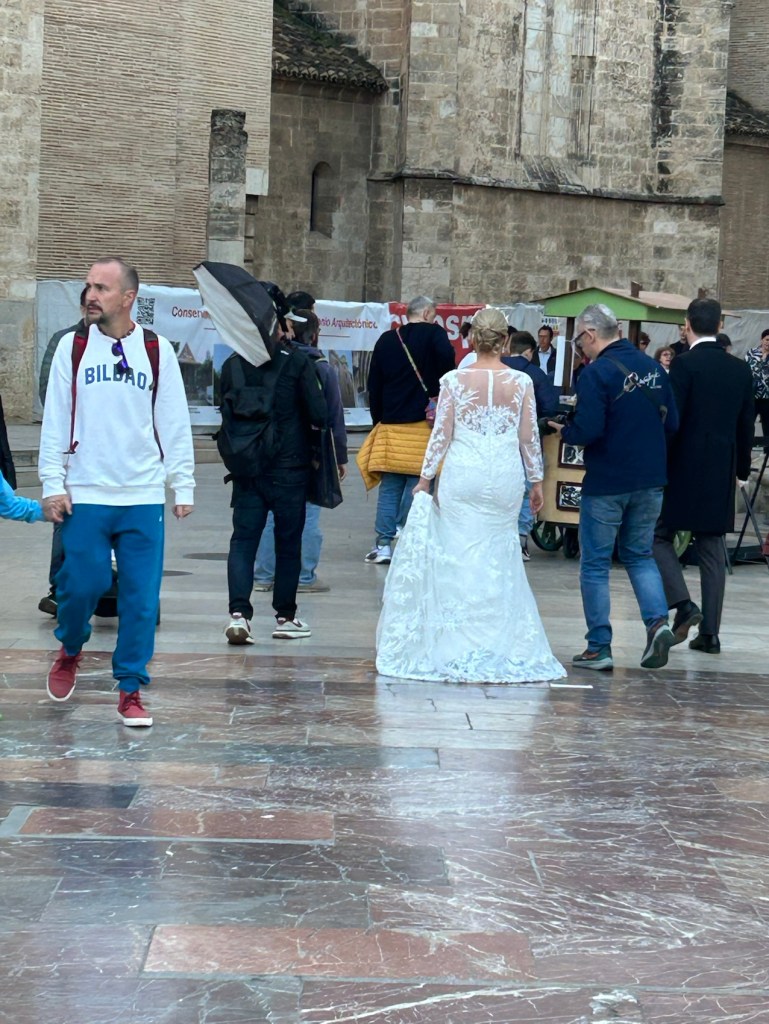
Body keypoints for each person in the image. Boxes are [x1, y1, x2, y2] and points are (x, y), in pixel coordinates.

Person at [39, 257, 195, 727]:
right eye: (88, 286)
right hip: (85, 491)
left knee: (141, 600)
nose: (90, 295)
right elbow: (54, 419)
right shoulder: (71, 348)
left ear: (128, 298)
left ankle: (130, 687)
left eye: (101, 288)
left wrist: (182, 482)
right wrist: (52, 483)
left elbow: (173, 419)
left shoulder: (156, 350)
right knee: (81, 584)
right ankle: (70, 647)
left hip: (142, 493)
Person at [376, 307, 565, 683]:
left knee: (458, 552)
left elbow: (441, 434)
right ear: (505, 341)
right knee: (500, 553)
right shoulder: (521, 382)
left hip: (464, 474)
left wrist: (425, 479)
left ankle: (457, 641)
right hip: (504, 475)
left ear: (473, 339)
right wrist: (536, 481)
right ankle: (498, 640)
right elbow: (528, 437)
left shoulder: (454, 381)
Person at [550, 303, 679, 671]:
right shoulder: (654, 368)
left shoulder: (596, 373)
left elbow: (588, 430)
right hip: (650, 478)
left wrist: (565, 430)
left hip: (607, 480)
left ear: (590, 334)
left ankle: (599, 646)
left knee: (595, 563)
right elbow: (672, 423)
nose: (580, 347)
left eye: (579, 341)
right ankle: (657, 623)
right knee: (639, 555)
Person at [222, 297, 328, 644]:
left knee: (243, 540)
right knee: (288, 542)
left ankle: (239, 615)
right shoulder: (296, 362)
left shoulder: (233, 364)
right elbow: (319, 413)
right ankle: (285, 616)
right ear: (277, 324)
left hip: (247, 466)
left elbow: (226, 412)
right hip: (289, 467)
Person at [653, 298, 754, 654]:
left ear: (687, 324)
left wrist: (660, 464)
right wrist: (741, 470)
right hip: (720, 468)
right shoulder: (740, 370)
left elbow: (673, 421)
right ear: (720, 326)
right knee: (712, 548)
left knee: (658, 536)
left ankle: (683, 603)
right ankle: (710, 633)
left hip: (682, 466)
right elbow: (746, 426)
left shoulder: (684, 365)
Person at [253, 308, 347, 594]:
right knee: (308, 513)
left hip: (272, 448)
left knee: (271, 513)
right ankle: (304, 576)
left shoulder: (272, 362)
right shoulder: (321, 367)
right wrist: (340, 456)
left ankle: (264, 575)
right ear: (315, 334)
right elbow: (334, 416)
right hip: (309, 451)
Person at [359, 295, 456, 564]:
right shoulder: (435, 335)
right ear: (426, 313)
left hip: (391, 425)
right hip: (424, 426)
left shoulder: (387, 340)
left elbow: (374, 384)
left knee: (389, 488)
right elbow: (449, 365)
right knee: (419, 486)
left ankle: (383, 545)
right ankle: (408, 539)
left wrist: (378, 421)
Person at [38, 288, 88, 618]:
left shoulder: (125, 345)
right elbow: (48, 391)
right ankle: (58, 588)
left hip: (112, 454)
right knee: (64, 516)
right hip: (73, 448)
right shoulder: (64, 341)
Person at [505, 331, 560, 560]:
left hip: (499, 441)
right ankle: (520, 540)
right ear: (530, 351)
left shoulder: (496, 368)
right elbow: (549, 408)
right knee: (528, 489)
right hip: (527, 441)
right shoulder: (536, 374)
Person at [745, 328, 769, 451]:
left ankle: (767, 453)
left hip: (767, 397)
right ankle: (746, 448)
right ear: (761, 340)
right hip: (753, 395)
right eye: (767, 339)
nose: (768, 343)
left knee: (767, 426)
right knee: (748, 425)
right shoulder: (752, 353)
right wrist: (763, 360)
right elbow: (751, 371)